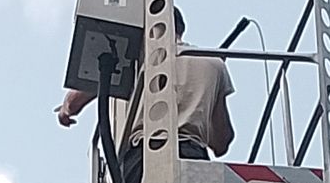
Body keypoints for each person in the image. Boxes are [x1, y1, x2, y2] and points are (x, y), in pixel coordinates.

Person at [57, 8, 235, 159]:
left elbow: (75, 101)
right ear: (181, 29)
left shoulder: (135, 58)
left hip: (143, 156)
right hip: (193, 156)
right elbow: (222, 142)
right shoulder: (215, 64)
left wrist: (65, 109)